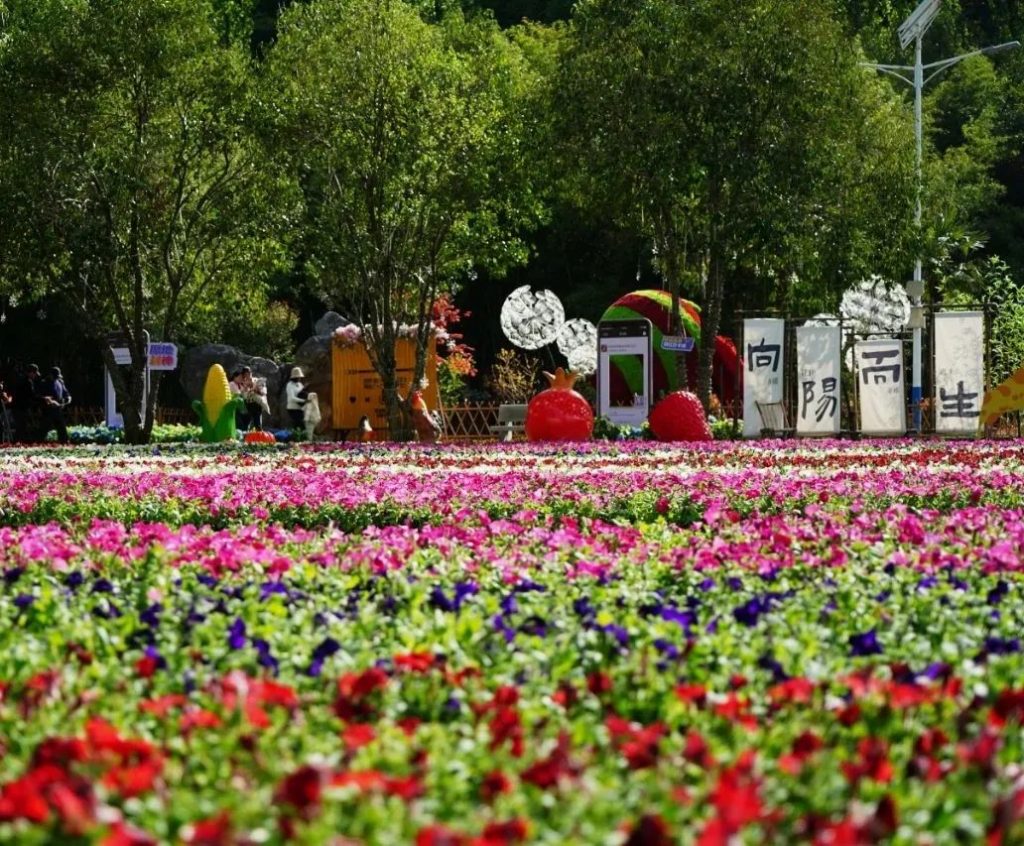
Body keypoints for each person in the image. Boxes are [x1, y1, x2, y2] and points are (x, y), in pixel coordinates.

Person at [37, 366, 71, 445]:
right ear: (50, 375)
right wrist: (50, 401)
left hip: (58, 408)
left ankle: (64, 442)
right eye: (54, 376)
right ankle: (38, 442)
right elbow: (40, 395)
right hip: (48, 409)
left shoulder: (60, 382)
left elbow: (66, 393)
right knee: (44, 427)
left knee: (61, 427)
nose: (55, 378)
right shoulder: (44, 383)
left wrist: (68, 398)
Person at [11, 364, 42, 443]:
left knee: (22, 426)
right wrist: (43, 398)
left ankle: (18, 443)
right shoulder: (27, 381)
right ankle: (16, 443)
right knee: (21, 426)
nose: (35, 376)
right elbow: (31, 395)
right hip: (21, 407)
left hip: (17, 407)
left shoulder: (21, 379)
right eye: (34, 374)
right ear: (31, 372)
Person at [229, 367, 251, 431]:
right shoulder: (231, 384)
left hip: (241, 406)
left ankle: (245, 430)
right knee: (239, 420)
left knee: (248, 416)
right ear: (235, 377)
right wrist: (244, 388)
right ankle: (240, 430)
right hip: (234, 406)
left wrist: (246, 388)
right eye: (240, 377)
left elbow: (245, 396)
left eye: (242, 377)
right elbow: (237, 394)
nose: (241, 379)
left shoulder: (240, 385)